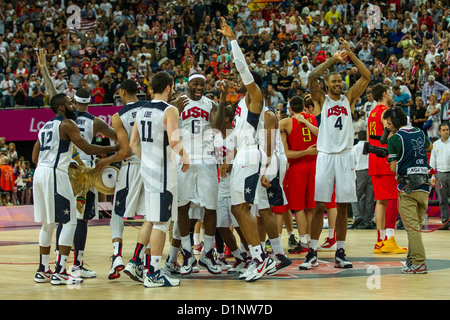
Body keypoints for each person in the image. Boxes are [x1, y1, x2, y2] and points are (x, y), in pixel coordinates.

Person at [32, 93, 119, 285]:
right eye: (69, 103)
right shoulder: (68, 124)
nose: (73, 105)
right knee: (70, 221)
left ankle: (43, 270)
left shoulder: (45, 126)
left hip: (40, 173)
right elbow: (87, 148)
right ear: (61, 108)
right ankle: (60, 271)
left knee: (47, 223)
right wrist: (117, 149)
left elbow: (34, 157)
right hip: (56, 175)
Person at [300, 38, 371, 270]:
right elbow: (311, 78)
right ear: (327, 84)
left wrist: (350, 53)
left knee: (342, 206)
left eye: (340, 80)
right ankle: (311, 251)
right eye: (334, 80)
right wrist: (333, 59)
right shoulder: (321, 99)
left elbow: (367, 76)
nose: (338, 83)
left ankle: (340, 250)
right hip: (326, 156)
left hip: (345, 156)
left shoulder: (349, 98)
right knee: (319, 205)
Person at [218, 17, 276, 282]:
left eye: (239, 78)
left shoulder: (255, 96)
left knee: (243, 209)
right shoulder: (240, 103)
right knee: (236, 209)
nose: (235, 79)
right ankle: (256, 256)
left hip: (251, 154)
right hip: (240, 155)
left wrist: (232, 40)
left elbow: (242, 68)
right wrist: (227, 158)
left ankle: (260, 258)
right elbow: (234, 133)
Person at [129, 71, 190, 287]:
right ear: (168, 87)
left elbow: (133, 144)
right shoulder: (170, 109)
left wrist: (147, 160)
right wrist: (186, 157)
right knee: (162, 223)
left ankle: (141, 265)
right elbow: (174, 142)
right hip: (164, 173)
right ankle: (153, 272)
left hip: (147, 170)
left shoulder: (141, 109)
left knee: (153, 218)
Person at [95, 79, 149, 281]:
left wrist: (106, 160)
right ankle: (142, 261)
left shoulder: (118, 116)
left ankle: (117, 256)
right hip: (152, 168)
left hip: (131, 168)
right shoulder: (151, 108)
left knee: (117, 213)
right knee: (150, 217)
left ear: (123, 92)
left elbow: (125, 151)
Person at [174, 70, 225, 275]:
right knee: (182, 206)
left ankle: (207, 252)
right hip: (184, 159)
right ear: (188, 84)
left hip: (206, 159)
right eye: (195, 84)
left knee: (210, 207)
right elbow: (168, 129)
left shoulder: (210, 104)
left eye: (201, 85)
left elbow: (218, 127)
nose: (198, 88)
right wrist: (173, 110)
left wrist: (221, 102)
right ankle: (187, 253)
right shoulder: (177, 103)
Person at [63, 87, 117, 279]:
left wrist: (44, 69)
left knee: (64, 217)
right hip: (86, 171)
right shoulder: (96, 122)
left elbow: (54, 94)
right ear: (90, 101)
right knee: (81, 219)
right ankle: (77, 265)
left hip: (66, 169)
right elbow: (116, 136)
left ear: (74, 101)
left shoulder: (66, 119)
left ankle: (59, 264)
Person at [384, 106, 432, 274]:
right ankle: (411, 261)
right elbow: (430, 147)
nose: (388, 127)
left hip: (407, 188)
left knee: (412, 229)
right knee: (415, 228)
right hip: (425, 187)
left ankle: (419, 262)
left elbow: (392, 168)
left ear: (396, 122)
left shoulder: (394, 139)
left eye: (389, 123)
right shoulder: (420, 132)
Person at [368, 83, 407, 253]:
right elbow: (389, 131)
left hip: (373, 158)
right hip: (385, 158)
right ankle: (390, 239)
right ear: (384, 94)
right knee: (393, 197)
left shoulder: (371, 112)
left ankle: (380, 241)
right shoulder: (385, 112)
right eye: (389, 92)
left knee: (381, 201)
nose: (391, 94)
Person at [279, 95, 318, 254]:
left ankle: (302, 241)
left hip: (298, 167)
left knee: (299, 208)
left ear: (289, 109)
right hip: (315, 165)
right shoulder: (313, 119)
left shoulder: (287, 122)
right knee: (311, 207)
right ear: (304, 106)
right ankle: (309, 240)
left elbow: (287, 153)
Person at [350, 130, 375, 229]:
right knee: (369, 198)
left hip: (359, 171)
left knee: (355, 196)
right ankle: (367, 220)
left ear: (359, 137)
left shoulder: (355, 148)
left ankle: (358, 215)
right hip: (371, 172)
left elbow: (352, 161)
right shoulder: (371, 146)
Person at [429, 123, 450, 229]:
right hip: (440, 174)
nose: (446, 131)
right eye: (444, 130)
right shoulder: (436, 144)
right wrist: (432, 177)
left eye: (447, 130)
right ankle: (445, 222)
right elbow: (432, 162)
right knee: (442, 200)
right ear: (440, 132)